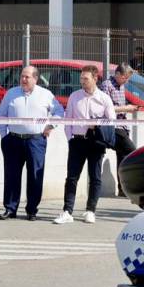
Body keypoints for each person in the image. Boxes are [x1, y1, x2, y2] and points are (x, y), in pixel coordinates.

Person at [0, 65, 64, 220]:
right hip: (13, 140)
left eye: (27, 77)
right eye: (22, 76)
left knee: (35, 175)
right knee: (11, 175)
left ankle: (32, 210)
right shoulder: (11, 93)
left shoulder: (45, 94)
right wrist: (4, 136)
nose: (23, 79)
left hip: (35, 140)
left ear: (35, 78)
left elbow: (59, 112)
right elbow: (1, 115)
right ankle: (10, 208)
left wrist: (50, 125)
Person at [56, 65, 116, 225]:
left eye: (85, 78)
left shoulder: (104, 98)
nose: (82, 81)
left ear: (95, 79)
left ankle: (90, 211)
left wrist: (96, 124)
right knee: (71, 177)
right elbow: (67, 120)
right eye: (81, 78)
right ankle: (67, 211)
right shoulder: (74, 96)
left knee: (95, 177)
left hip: (96, 141)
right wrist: (70, 139)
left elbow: (111, 121)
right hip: (77, 141)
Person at [99, 63, 138, 196]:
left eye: (127, 78)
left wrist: (128, 108)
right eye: (124, 78)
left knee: (123, 157)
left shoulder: (121, 86)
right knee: (132, 151)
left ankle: (122, 189)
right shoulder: (107, 85)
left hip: (123, 124)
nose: (126, 81)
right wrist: (126, 108)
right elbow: (106, 108)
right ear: (117, 74)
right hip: (113, 126)